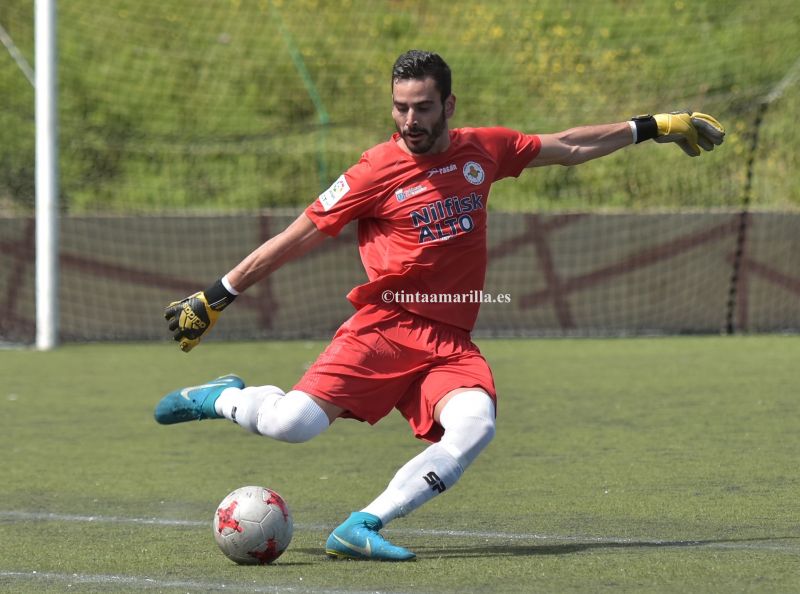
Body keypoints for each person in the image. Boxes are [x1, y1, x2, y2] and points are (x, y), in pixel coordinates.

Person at [154, 49, 725, 561]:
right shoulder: (374, 169)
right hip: (386, 328)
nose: (409, 121)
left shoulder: (485, 150)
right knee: (291, 424)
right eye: (400, 107)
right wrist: (216, 296)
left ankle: (363, 524)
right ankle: (224, 396)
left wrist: (655, 126)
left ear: (447, 103)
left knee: (476, 426)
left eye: (422, 107)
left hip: (449, 342)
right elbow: (298, 235)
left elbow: (571, 146)